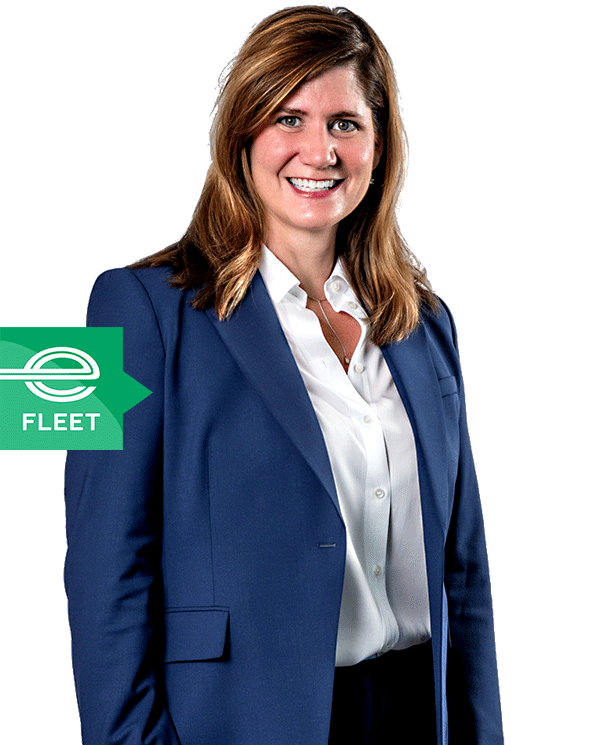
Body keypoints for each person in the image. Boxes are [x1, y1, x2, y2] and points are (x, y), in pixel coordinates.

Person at [64, 5, 503, 744]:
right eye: (288, 118)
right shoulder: (121, 305)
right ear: (240, 134)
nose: (319, 151)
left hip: (414, 711)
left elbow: (465, 571)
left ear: (379, 146)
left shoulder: (426, 321)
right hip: (236, 720)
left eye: (345, 124)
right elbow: (98, 566)